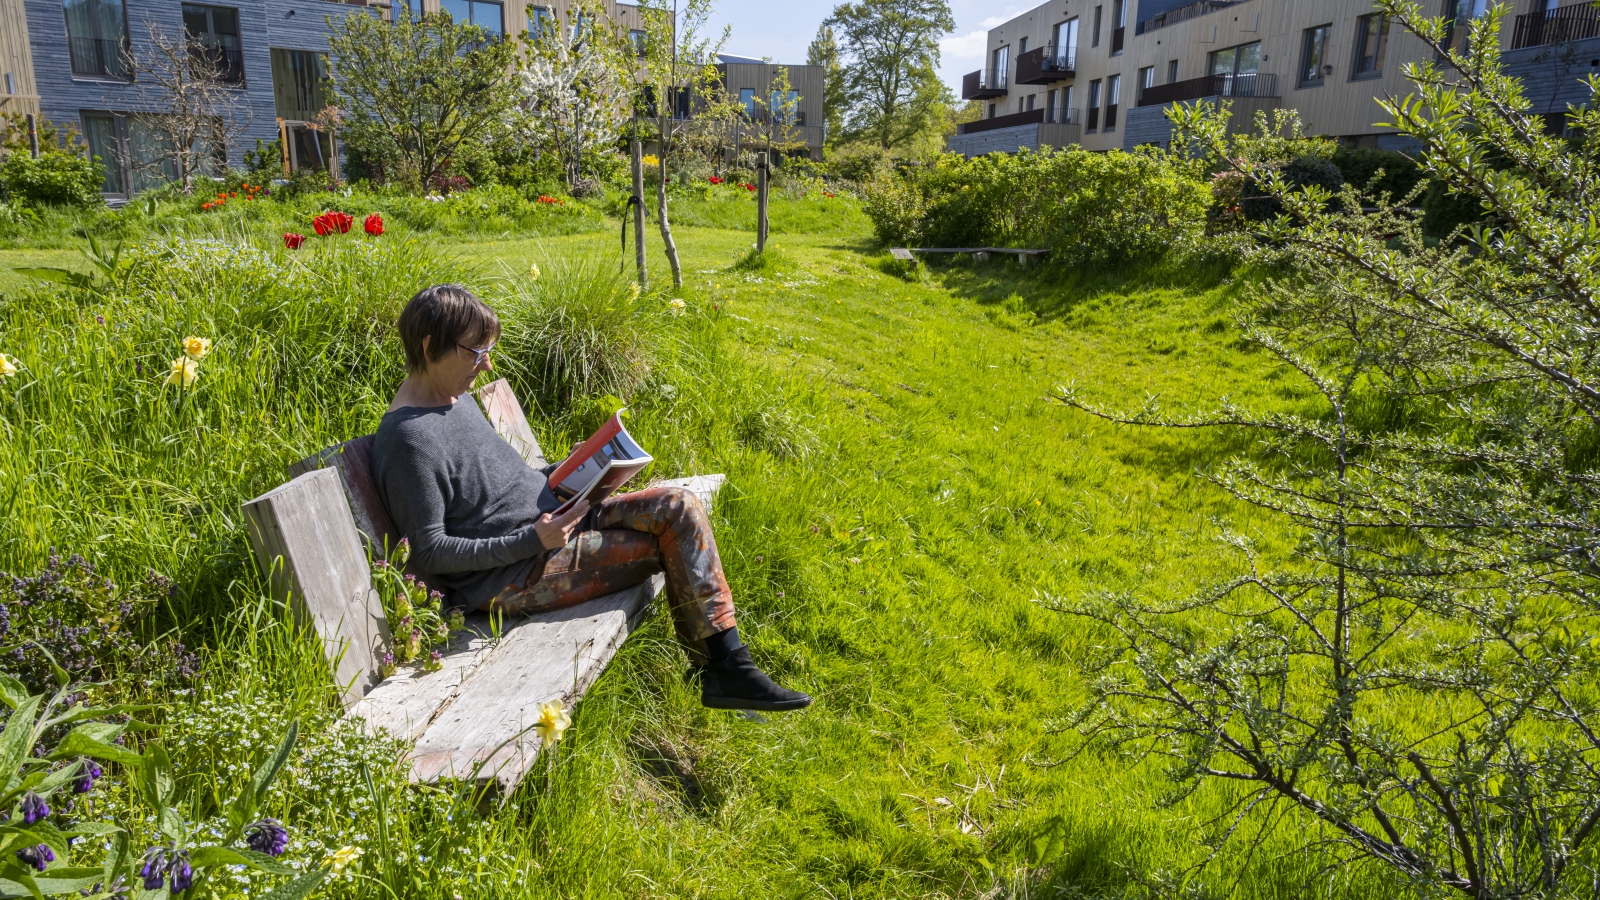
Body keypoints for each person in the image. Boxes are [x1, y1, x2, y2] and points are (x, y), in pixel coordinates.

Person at [371, 284, 811, 712]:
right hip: (518, 573)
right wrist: (534, 540)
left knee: (679, 505)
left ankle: (727, 668)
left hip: (557, 520)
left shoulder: (453, 397)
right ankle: (723, 670)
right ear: (430, 348)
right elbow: (430, 551)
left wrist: (574, 471)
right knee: (668, 545)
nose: (486, 366)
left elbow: (500, 484)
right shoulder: (409, 440)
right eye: (476, 352)